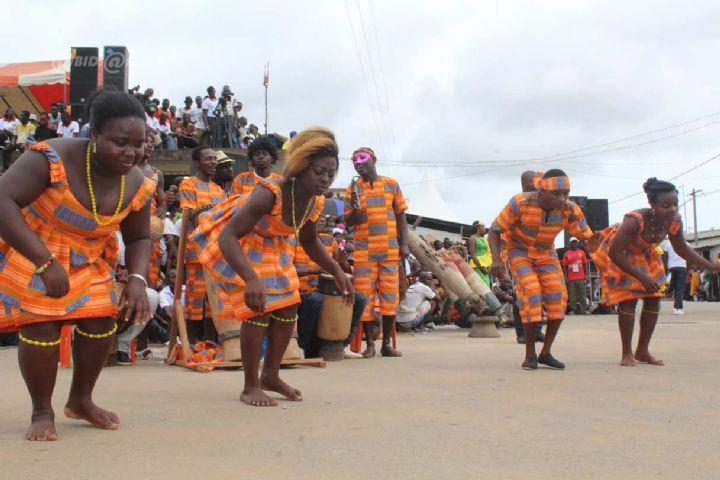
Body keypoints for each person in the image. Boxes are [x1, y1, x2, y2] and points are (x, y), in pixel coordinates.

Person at [0, 90, 154, 441]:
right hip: (33, 247)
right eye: (120, 142)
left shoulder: (138, 183)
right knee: (43, 324)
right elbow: (2, 200)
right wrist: (44, 261)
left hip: (89, 257)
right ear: (94, 135)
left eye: (138, 144)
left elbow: (139, 238)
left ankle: (81, 400)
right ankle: (42, 410)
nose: (130, 152)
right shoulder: (49, 157)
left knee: (101, 319)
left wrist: (137, 279)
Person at [193, 126, 353, 406]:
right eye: (319, 172)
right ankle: (250, 386)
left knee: (289, 307)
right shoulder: (270, 193)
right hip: (244, 244)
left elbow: (310, 241)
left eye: (331, 174)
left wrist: (337, 271)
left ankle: (271, 376)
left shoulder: (315, 202)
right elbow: (228, 237)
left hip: (277, 248)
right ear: (301, 168)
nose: (325, 179)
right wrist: (251, 279)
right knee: (259, 310)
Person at [592, 178, 720, 366]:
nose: (672, 209)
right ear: (651, 204)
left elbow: (681, 248)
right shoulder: (635, 221)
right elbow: (615, 252)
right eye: (665, 206)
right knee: (628, 300)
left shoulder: (674, 221)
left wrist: (710, 266)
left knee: (653, 298)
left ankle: (642, 351)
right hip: (622, 256)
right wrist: (642, 277)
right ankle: (626, 353)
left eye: (675, 204)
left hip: (646, 255)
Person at [488, 169, 597, 370]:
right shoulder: (520, 202)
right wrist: (496, 260)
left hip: (546, 253)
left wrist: (605, 244)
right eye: (556, 194)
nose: (562, 198)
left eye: (566, 193)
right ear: (541, 191)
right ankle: (530, 354)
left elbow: (588, 237)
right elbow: (494, 230)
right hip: (519, 252)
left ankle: (545, 353)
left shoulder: (570, 210)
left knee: (558, 298)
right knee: (531, 293)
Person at [343, 147, 409, 358]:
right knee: (365, 298)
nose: (358, 163)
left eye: (362, 158)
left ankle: (386, 344)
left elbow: (401, 216)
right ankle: (370, 344)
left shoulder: (391, 184)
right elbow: (348, 221)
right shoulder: (352, 189)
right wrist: (355, 211)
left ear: (374, 159)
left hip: (389, 249)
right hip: (364, 251)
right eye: (354, 160)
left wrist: (404, 244)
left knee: (390, 298)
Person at [178, 146, 226, 340]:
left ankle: (210, 343)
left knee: (213, 299)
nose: (213, 162)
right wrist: (212, 214)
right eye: (208, 159)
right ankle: (189, 345)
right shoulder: (188, 184)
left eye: (215, 159)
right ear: (197, 163)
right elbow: (190, 215)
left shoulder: (219, 190)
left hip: (217, 253)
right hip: (196, 251)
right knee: (195, 299)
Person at [511, 170, 545, 344]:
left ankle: (537, 330)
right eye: (535, 182)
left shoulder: (540, 203)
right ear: (526, 184)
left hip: (539, 257)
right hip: (519, 257)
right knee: (521, 296)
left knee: (539, 294)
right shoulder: (518, 204)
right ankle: (522, 333)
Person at [135, 129, 165, 288]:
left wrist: (158, 221)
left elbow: (162, 204)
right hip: (128, 224)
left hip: (151, 228)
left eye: (152, 143)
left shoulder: (157, 173)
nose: (150, 146)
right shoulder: (127, 169)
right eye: (146, 142)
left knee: (152, 265)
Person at [562, 237, 589, 314]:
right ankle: (573, 310)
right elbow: (564, 266)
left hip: (581, 277)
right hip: (571, 278)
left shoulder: (582, 252)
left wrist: (586, 275)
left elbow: (585, 264)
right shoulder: (567, 254)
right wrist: (566, 277)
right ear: (570, 243)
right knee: (572, 295)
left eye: (575, 242)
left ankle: (584, 310)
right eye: (572, 242)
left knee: (582, 294)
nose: (574, 243)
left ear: (577, 243)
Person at [468, 221, 492, 286]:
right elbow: (473, 255)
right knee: (481, 285)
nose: (485, 229)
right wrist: (481, 268)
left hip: (485, 266)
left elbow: (488, 252)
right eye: (483, 227)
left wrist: (488, 266)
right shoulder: (473, 238)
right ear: (478, 227)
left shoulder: (483, 239)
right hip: (477, 265)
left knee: (487, 285)